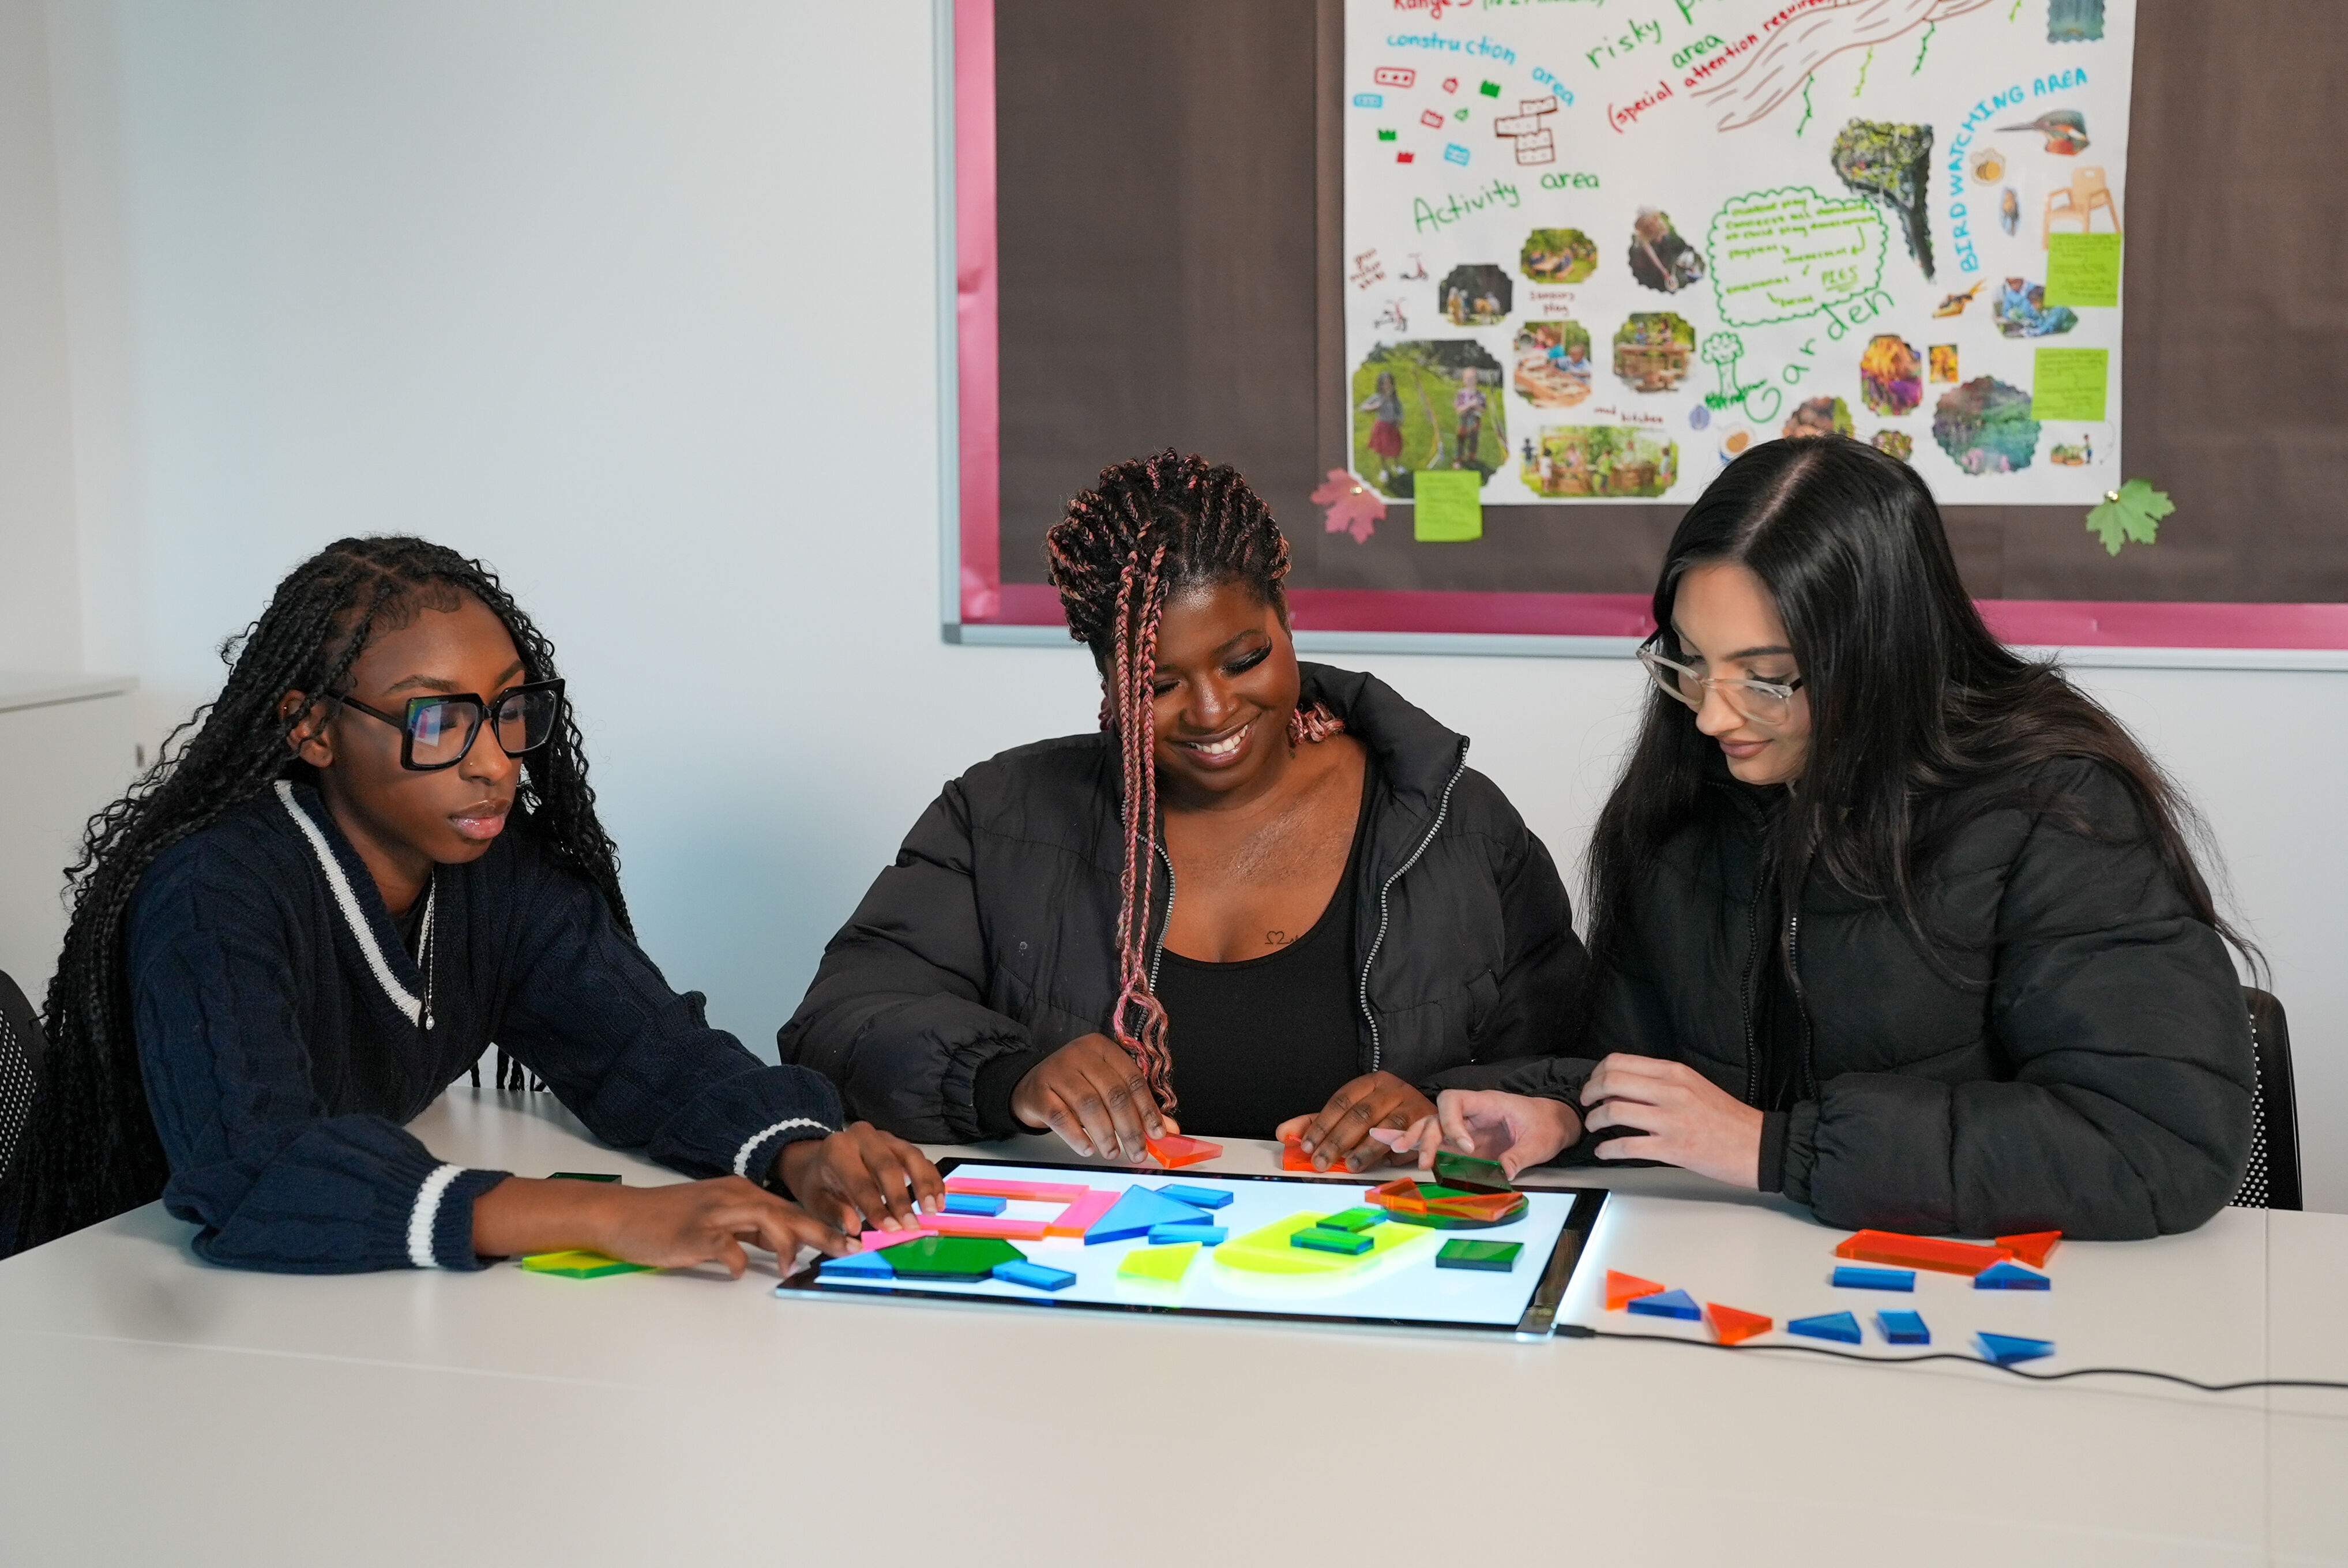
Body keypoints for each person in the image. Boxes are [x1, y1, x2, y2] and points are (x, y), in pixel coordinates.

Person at [1389, 437, 2254, 1239]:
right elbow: (1650, 1075)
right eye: (1688, 660)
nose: (1712, 714)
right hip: (1751, 1280)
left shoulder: (2054, 804)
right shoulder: (1683, 796)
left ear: (1881, 654)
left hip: (1987, 1311)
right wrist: (1568, 1113)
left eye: (1766, 679)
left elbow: (2158, 1141)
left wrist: (1777, 1148)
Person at [6, 537, 941, 1272]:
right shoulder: (215, 887)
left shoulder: (497, 866)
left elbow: (647, 1051)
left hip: (311, 1312)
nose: (495, 760)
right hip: (100, 1295)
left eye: (507, 710)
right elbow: (255, 1172)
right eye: (436, 719)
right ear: (313, 727)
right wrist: (613, 1214)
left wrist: (798, 1150)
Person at [781, 451, 1580, 1171]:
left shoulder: (1450, 822)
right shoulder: (998, 818)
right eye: (1157, 685)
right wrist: (1007, 1075)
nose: (1209, 709)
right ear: (1104, 675)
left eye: (1245, 659)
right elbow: (838, 1022)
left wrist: (1437, 1108)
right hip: (1090, 1283)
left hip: (1373, 1276)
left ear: (1285, 618)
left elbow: (1572, 1065)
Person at [1360, 369, 1405, 485]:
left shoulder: (1395, 399)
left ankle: (1397, 466)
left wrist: (1400, 420)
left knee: (1396, 448)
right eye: (1384, 383)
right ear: (1380, 385)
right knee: (1383, 450)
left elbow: (1400, 411)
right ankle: (1384, 470)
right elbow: (1363, 407)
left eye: (1389, 383)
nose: (1387, 386)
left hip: (1393, 427)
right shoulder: (1377, 397)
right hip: (1382, 426)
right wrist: (1375, 406)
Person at [1454, 367, 1487, 467]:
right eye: (1468, 378)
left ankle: (1471, 458)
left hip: (1475, 421)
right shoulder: (1461, 394)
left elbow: (1483, 409)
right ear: (1464, 380)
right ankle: (1459, 459)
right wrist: (1470, 405)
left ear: (1476, 380)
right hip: (1463, 420)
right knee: (1461, 439)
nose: (1470, 381)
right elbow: (1459, 409)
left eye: (1472, 378)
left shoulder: (1481, 394)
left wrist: (1477, 405)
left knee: (1474, 440)